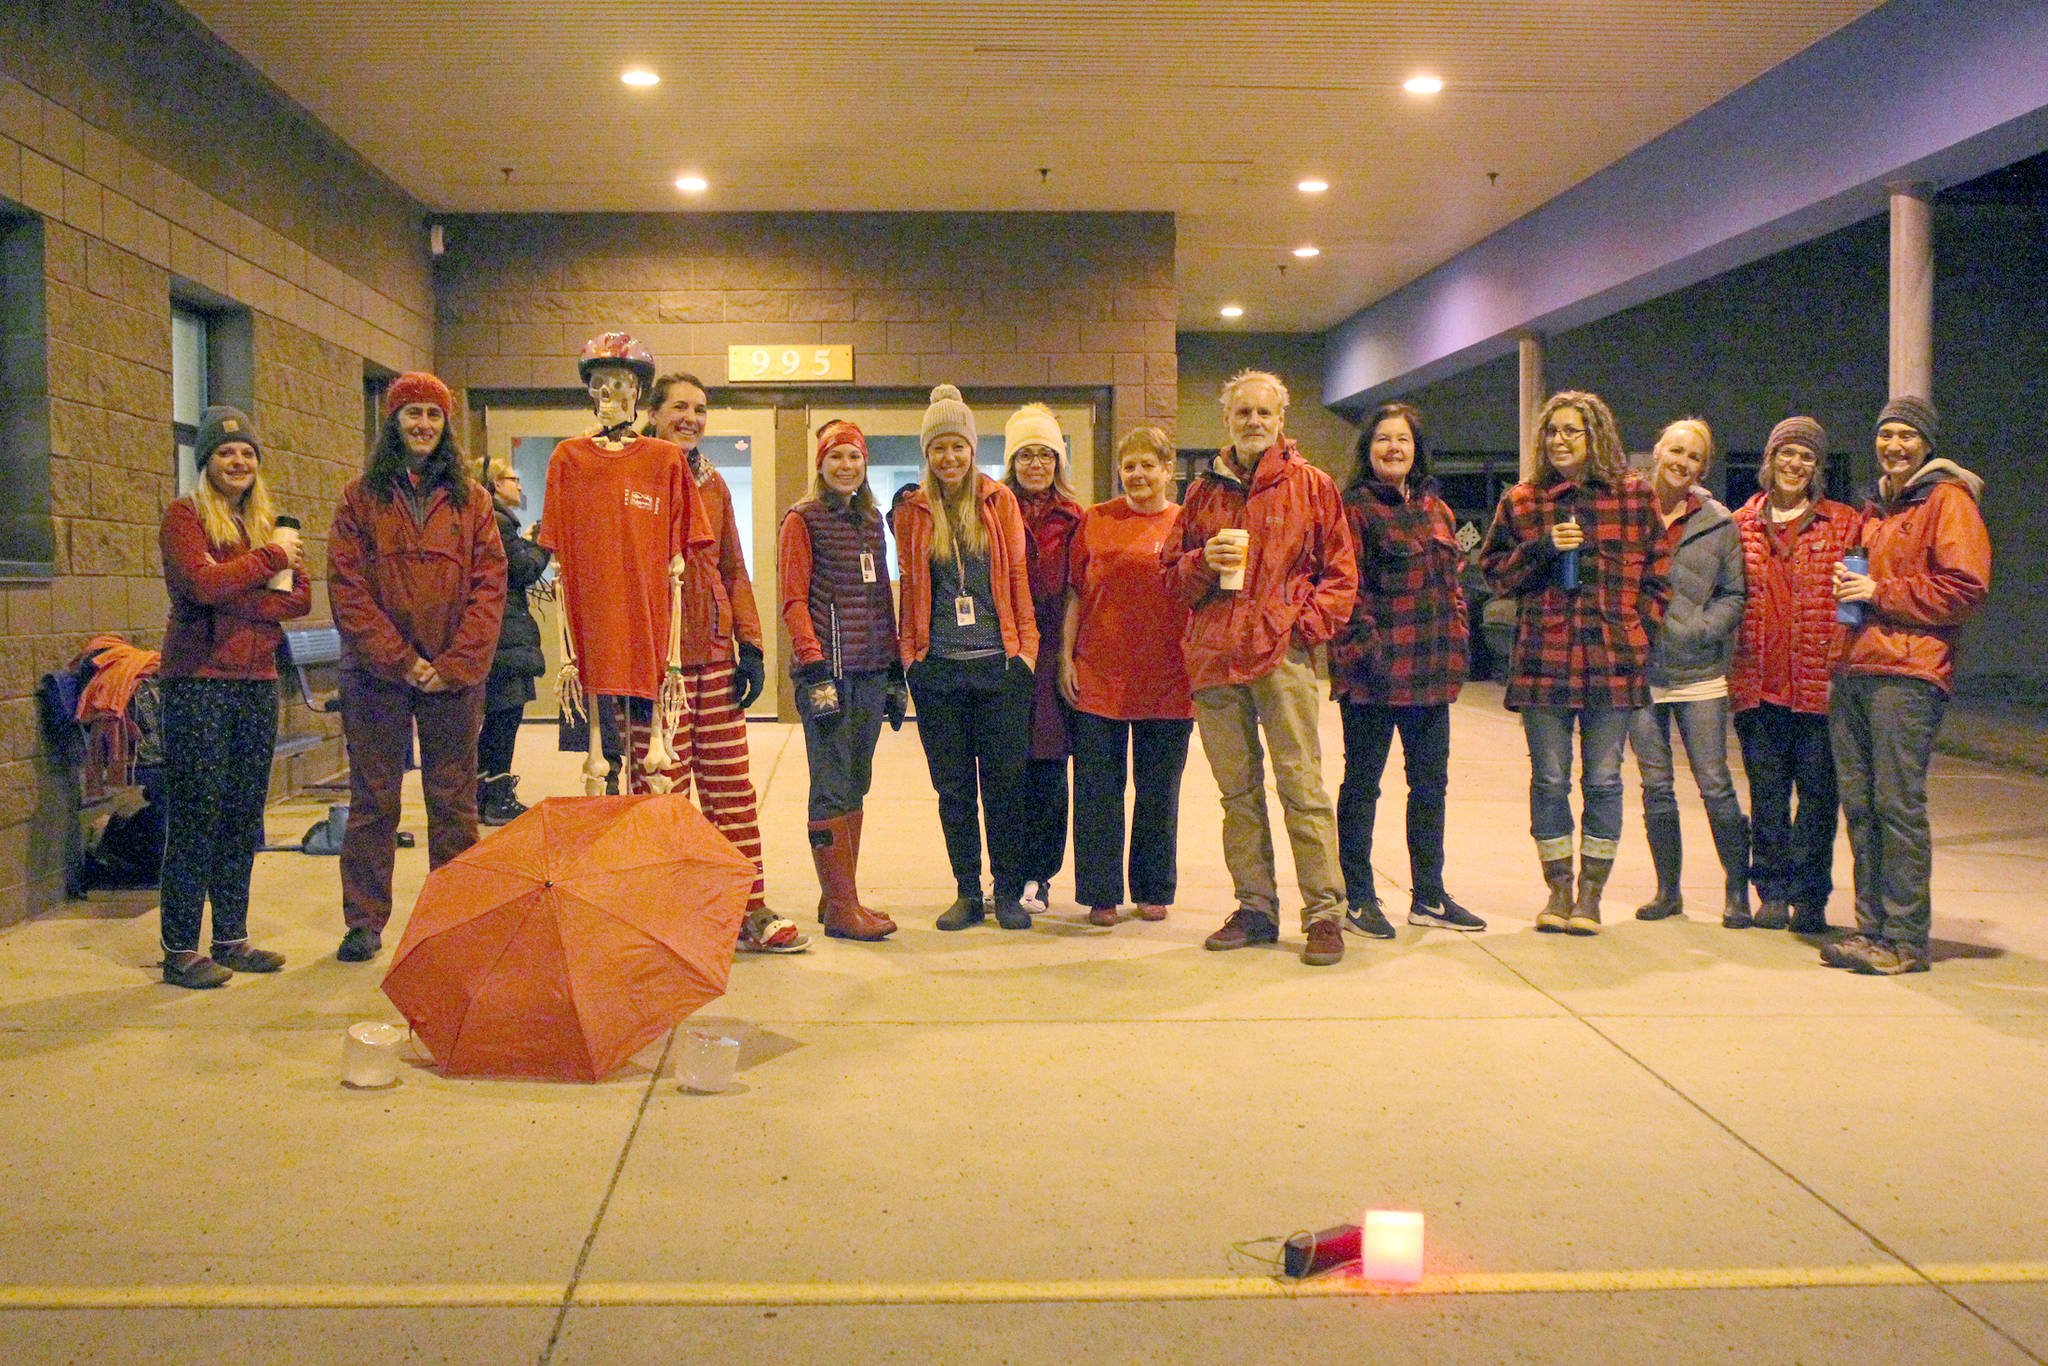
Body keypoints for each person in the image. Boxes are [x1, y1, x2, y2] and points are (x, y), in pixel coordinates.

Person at [1164, 370, 1358, 966]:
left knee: (1302, 789)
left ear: (1281, 420)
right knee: (1238, 795)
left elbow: (1341, 576)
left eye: (1263, 413)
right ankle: (1255, 908)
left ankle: (1324, 913)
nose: (1253, 422)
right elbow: (1170, 578)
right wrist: (1200, 561)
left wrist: (1300, 631)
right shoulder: (1199, 494)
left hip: (1282, 659)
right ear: (1228, 420)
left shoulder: (1313, 486)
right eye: (1242, 413)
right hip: (1215, 663)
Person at [328, 373, 507, 962]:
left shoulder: (473, 501)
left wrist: (452, 665)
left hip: (452, 677)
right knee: (375, 799)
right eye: (413, 414)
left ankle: (453, 919)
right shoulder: (358, 499)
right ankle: (364, 922)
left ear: (446, 423)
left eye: (433, 414)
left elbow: (489, 588)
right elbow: (347, 589)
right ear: (393, 422)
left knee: (453, 800)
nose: (423, 425)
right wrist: (401, 660)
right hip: (377, 675)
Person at [1480, 390, 1667, 935]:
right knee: (1551, 780)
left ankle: (1590, 895)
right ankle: (1558, 890)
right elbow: (1492, 573)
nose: (1559, 441)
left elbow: (1660, 576)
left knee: (1605, 781)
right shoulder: (1523, 500)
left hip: (1612, 661)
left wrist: (1639, 633)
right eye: (1552, 432)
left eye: (1571, 431)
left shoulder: (1634, 496)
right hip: (1545, 661)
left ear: (1596, 437)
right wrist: (1539, 547)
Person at [1824, 397, 1990, 975]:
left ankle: (1905, 939)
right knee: (1862, 806)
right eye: (1886, 434)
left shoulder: (1948, 500)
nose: (1894, 445)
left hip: (1908, 674)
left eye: (1907, 437)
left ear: (1926, 445)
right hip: (1856, 668)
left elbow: (1965, 587)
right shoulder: (1880, 509)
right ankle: (1871, 929)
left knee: (1896, 806)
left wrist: (1879, 593)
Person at [154, 405, 311, 987]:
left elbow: (299, 600)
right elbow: (197, 584)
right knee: (197, 812)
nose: (238, 460)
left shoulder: (271, 519)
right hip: (198, 681)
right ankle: (179, 949)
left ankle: (231, 938)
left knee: (244, 815)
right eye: (226, 452)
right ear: (206, 463)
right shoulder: (184, 516)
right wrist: (267, 562)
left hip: (257, 684)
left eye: (247, 452)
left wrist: (233, 587)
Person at [645, 371, 795, 947]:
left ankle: (746, 907)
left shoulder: (714, 483)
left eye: (700, 409)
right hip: (658, 667)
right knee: (662, 794)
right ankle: (663, 914)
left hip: (713, 656)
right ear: (654, 413)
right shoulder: (632, 475)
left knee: (731, 787)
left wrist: (751, 644)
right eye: (680, 406)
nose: (691, 417)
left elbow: (732, 566)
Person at [1330, 402, 1481, 938]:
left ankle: (1429, 896)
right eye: (1382, 440)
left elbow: (1454, 587)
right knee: (1362, 787)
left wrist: (1458, 638)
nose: (1393, 448)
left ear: (1417, 450)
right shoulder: (1354, 509)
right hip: (1374, 677)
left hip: (1431, 673)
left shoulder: (1436, 509)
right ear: (1367, 451)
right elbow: (1348, 590)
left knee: (1430, 787)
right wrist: (1369, 652)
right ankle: (1357, 898)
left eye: (1403, 440)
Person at [895, 385, 1039, 931]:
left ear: (972, 449)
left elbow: (1018, 578)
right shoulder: (913, 510)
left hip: (999, 667)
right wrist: (911, 658)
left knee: (1004, 785)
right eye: (938, 448)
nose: (949, 457)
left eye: (958, 446)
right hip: (939, 672)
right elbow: (909, 586)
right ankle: (966, 891)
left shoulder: (998, 502)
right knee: (952, 789)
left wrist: (1025, 652)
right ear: (927, 454)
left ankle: (1006, 892)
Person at [1729, 417, 1861, 934]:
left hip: (1818, 688)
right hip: (1757, 685)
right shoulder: (1740, 524)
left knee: (1819, 799)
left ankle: (1810, 898)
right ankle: (1772, 892)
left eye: (1807, 456)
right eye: (1787, 453)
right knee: (1766, 797)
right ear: (1770, 459)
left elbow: (1857, 597)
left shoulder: (1844, 524)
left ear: (1817, 468)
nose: (1795, 464)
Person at [1060, 426, 1194, 927]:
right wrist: (1064, 658)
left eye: (1148, 465)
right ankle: (1101, 892)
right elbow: (1075, 592)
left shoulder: (1185, 524)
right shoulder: (1095, 520)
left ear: (1167, 470)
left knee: (1159, 790)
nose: (1138, 474)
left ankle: (1153, 887)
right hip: (1099, 673)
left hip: (1169, 676)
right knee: (1097, 789)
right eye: (1129, 465)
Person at [778, 420, 903, 941]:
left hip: (872, 669)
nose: (846, 466)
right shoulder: (802, 520)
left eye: (854, 457)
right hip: (827, 672)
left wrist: (894, 670)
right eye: (836, 458)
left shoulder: (872, 521)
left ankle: (839, 896)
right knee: (830, 785)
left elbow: (879, 599)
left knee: (857, 780)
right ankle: (841, 911)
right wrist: (812, 664)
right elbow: (792, 599)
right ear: (821, 464)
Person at [1628, 419, 1750, 926]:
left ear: (1703, 466)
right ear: (1657, 449)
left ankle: (1737, 892)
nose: (1682, 461)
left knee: (1715, 782)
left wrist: (1703, 629)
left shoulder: (1719, 522)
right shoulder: (1626, 506)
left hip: (1698, 673)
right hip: (1638, 673)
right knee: (1655, 785)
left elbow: (1734, 593)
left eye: (1694, 456)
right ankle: (1668, 892)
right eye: (1675, 450)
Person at [1002, 403, 1084, 915]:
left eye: (1045, 455)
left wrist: (1069, 656)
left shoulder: (1075, 518)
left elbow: (1080, 589)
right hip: (1006, 656)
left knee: (1050, 770)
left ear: (1058, 461)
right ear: (1012, 462)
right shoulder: (991, 508)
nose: (1035, 464)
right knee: (1006, 770)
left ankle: (1041, 874)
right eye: (1025, 455)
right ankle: (1005, 873)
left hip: (1053, 653)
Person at [477, 459, 551, 825]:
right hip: (505, 634)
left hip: (499, 633)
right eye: (512, 479)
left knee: (497, 718)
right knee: (505, 716)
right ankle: (496, 799)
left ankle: (483, 793)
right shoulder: (498, 520)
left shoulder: (494, 521)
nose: (519, 486)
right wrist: (542, 545)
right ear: (493, 484)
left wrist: (527, 542)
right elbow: (521, 570)